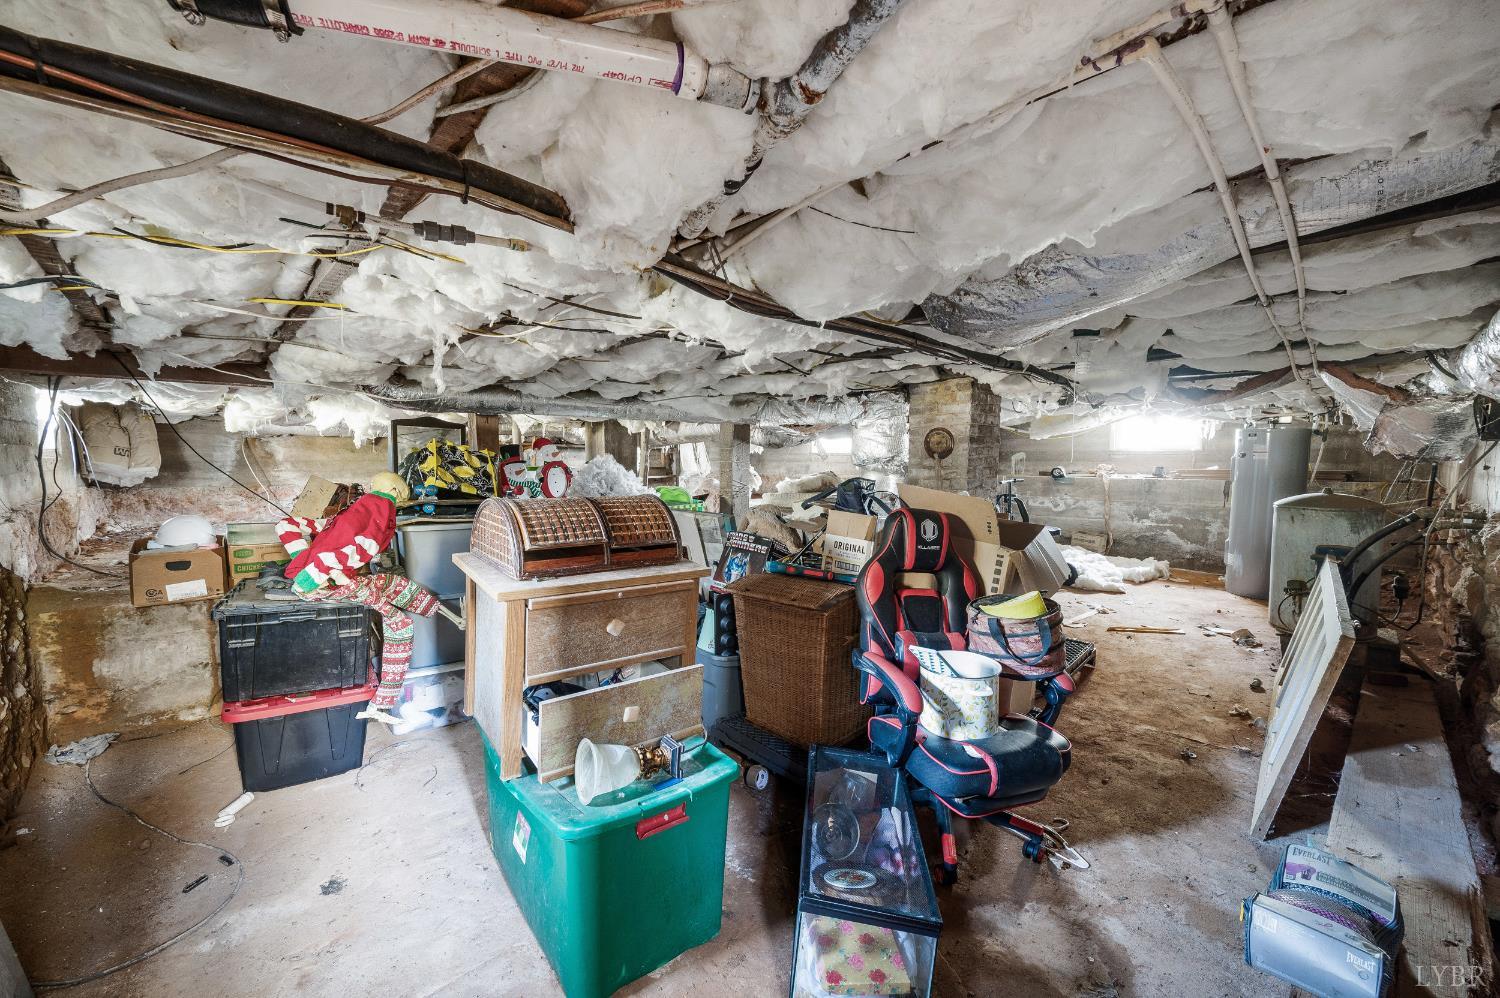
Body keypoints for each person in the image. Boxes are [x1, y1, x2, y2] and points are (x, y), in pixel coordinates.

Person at [276, 471, 461, 725]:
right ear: (395, 493)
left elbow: (287, 525)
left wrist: (307, 562)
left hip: (322, 578)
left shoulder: (358, 506)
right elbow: (366, 544)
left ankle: (450, 616)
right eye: (402, 496)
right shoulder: (382, 505)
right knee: (401, 625)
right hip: (327, 584)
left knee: (396, 585)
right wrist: (318, 575)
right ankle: (382, 704)